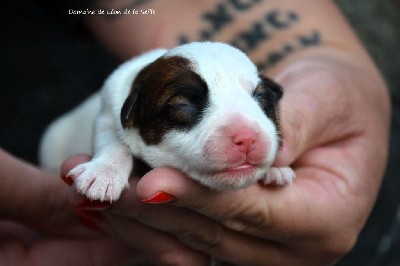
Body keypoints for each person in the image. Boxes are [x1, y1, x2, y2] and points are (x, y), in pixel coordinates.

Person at [1, 0, 391, 264]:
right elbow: (114, 130)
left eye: (258, 102)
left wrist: (332, 62)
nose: (246, 134)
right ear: (133, 111)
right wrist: (108, 164)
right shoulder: (122, 94)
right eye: (185, 107)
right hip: (39, 155)